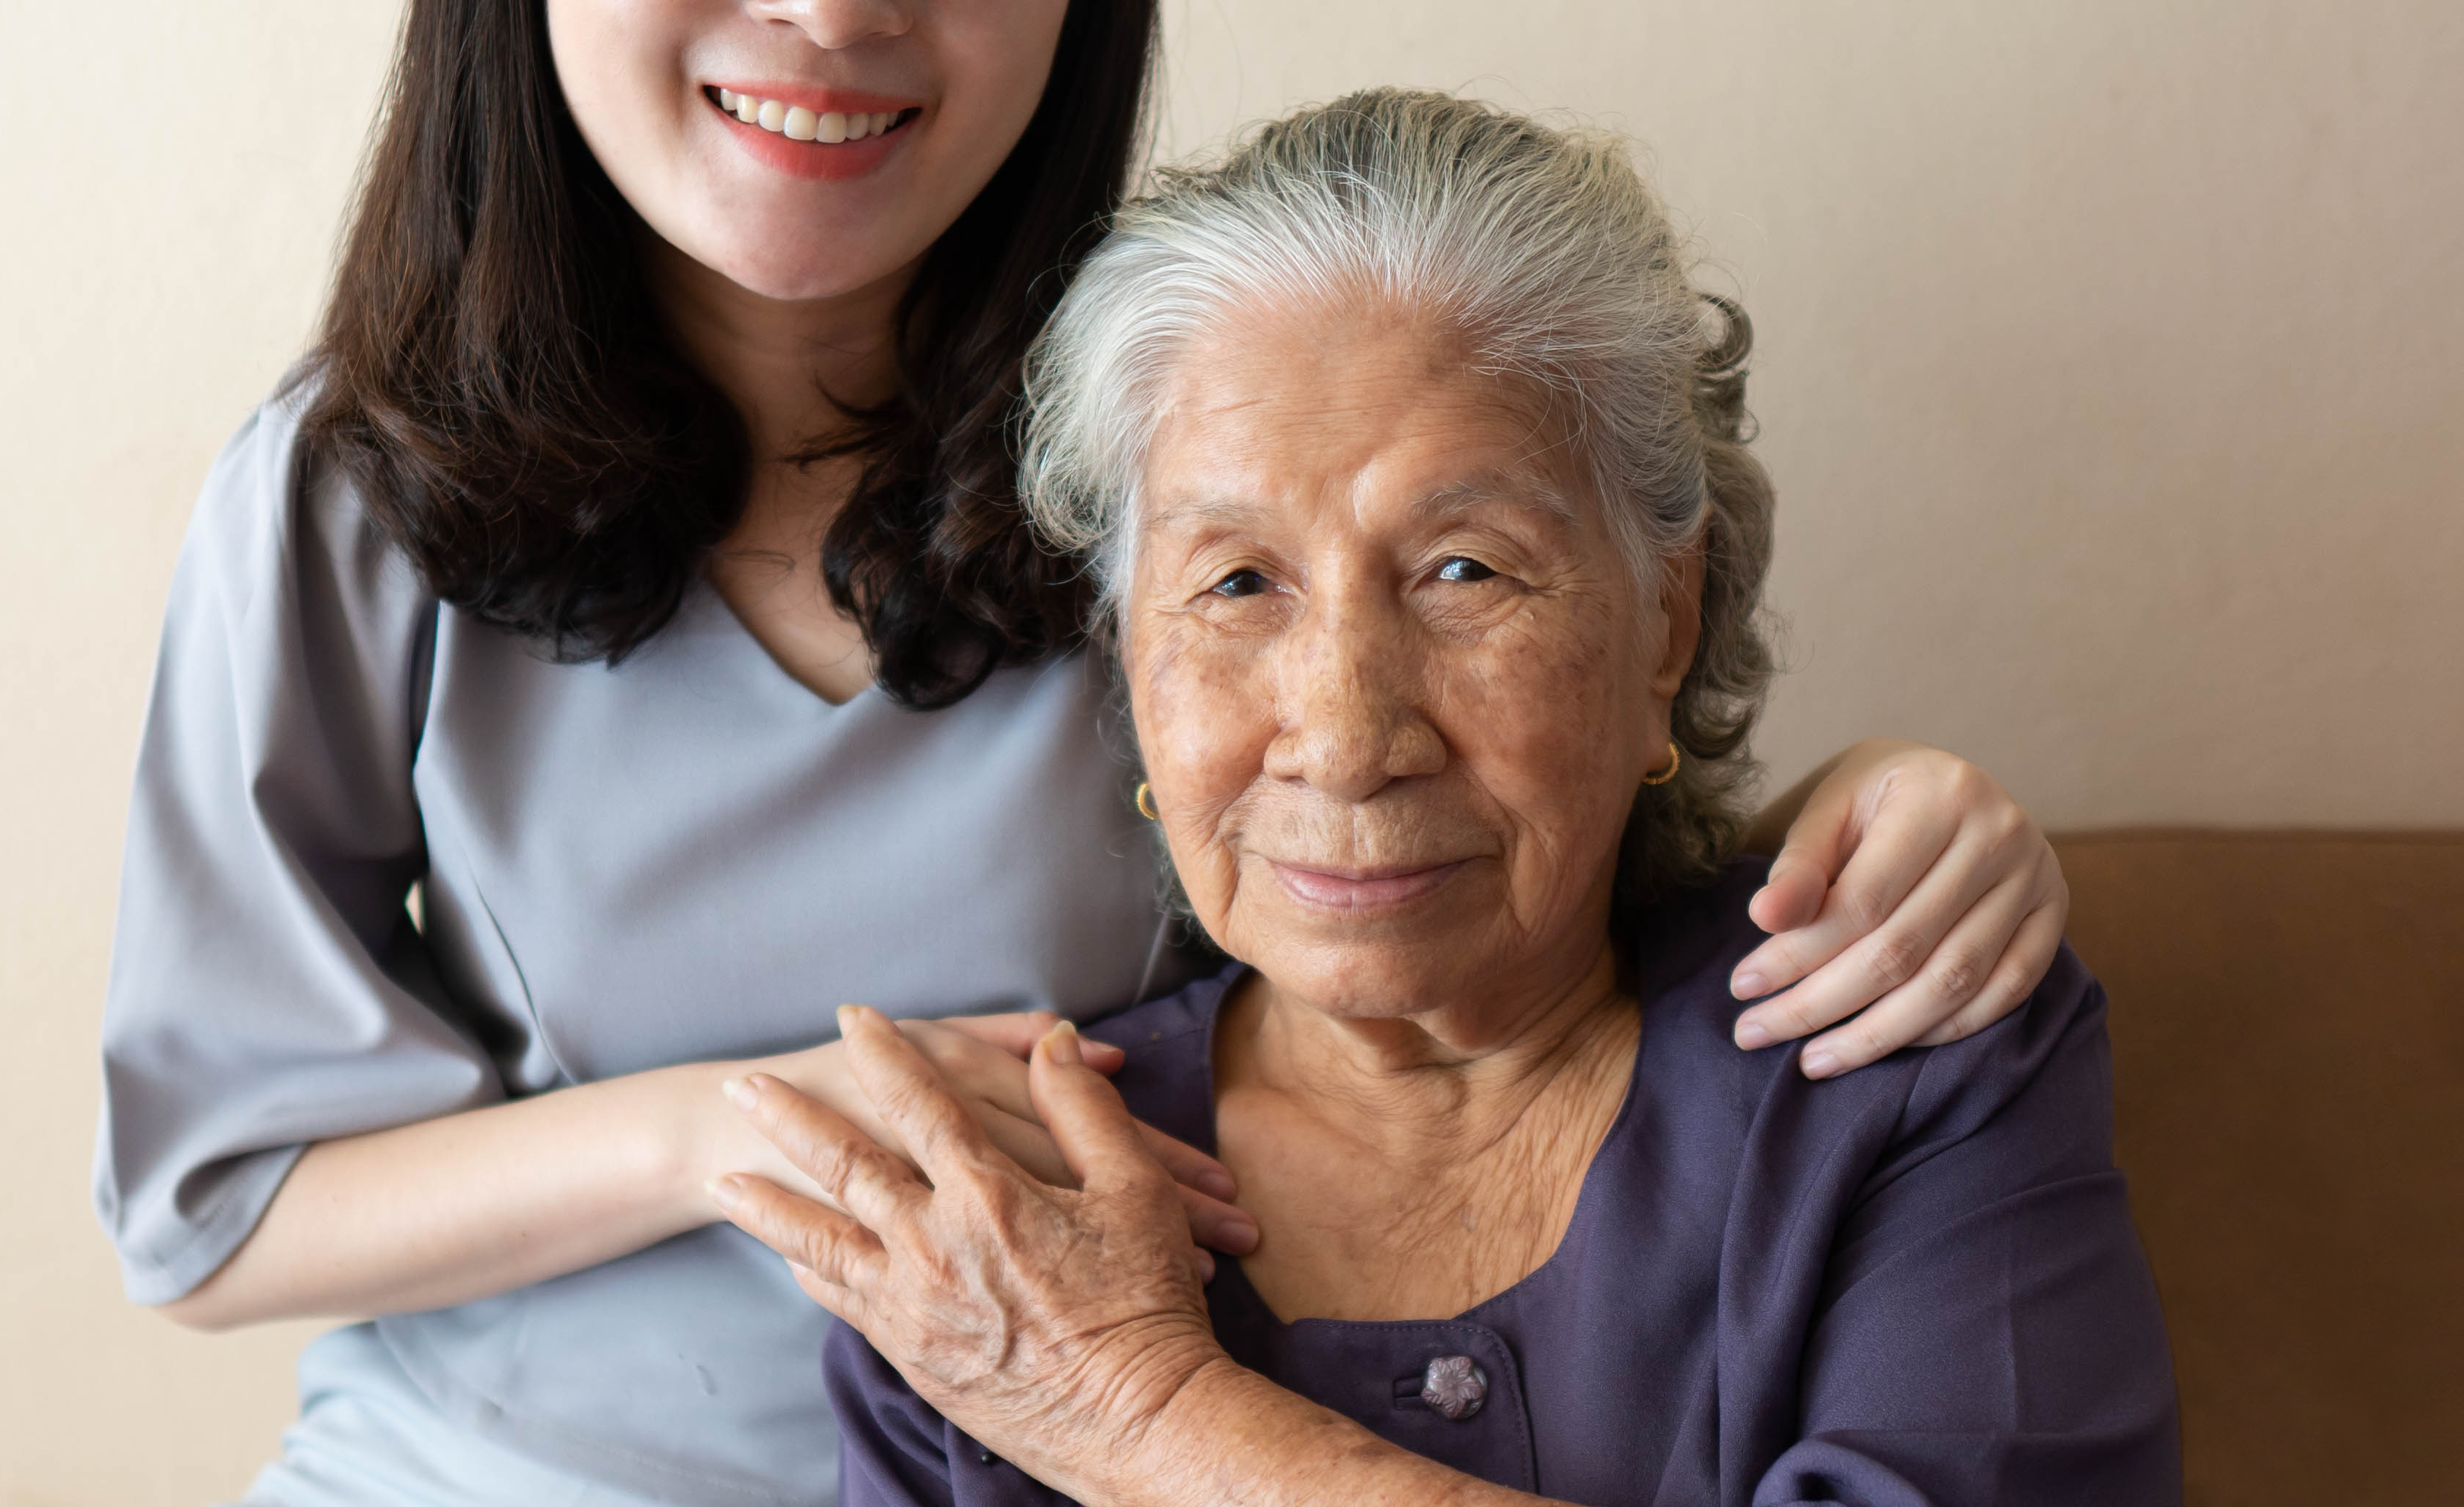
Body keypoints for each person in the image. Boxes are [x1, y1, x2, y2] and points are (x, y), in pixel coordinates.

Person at [103, 5, 2076, 1505]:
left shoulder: (1190, 428)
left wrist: (1869, 808)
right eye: (1234, 591)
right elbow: (208, 1206)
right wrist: (744, 1136)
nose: (833, 12)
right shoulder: (353, 494)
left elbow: (1493, 823)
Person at [710, 88, 2181, 1506]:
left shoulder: (1895, 1043)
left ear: (1665, 620)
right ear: (1125, 662)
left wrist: (1137, 1415)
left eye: (1463, 571)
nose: (1346, 739)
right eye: (1234, 584)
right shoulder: (997, 1222)